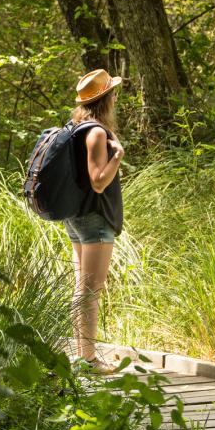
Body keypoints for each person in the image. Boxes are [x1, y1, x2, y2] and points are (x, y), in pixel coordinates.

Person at [64, 68, 125, 372]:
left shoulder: (76, 126)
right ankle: (88, 359)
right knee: (91, 290)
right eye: (113, 93)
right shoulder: (97, 132)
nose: (116, 97)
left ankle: (81, 354)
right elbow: (98, 182)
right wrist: (117, 156)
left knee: (81, 286)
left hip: (75, 217)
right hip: (94, 218)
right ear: (106, 99)